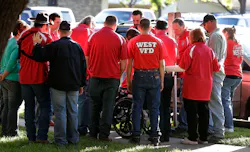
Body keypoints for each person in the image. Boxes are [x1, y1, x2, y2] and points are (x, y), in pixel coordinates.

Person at [31, 21, 86, 146]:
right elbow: (83, 67)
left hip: (57, 84)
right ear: (70, 32)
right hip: (73, 84)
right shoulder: (77, 47)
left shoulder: (54, 45)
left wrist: (36, 44)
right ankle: (73, 139)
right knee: (73, 111)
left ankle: (60, 140)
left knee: (60, 112)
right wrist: (82, 84)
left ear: (59, 32)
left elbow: (39, 56)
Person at [166, 28, 220, 145]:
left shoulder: (191, 49)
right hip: (206, 87)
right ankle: (203, 138)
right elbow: (216, 68)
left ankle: (192, 137)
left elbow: (182, 67)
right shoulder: (210, 51)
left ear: (192, 37)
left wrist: (166, 68)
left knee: (191, 113)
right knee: (204, 113)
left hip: (192, 86)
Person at [86, 16, 127, 141]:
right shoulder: (120, 39)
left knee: (94, 106)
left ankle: (92, 133)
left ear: (104, 23)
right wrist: (118, 75)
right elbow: (124, 63)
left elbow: (86, 57)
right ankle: (104, 135)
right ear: (115, 25)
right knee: (108, 108)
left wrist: (91, 70)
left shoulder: (92, 36)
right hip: (111, 78)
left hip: (95, 76)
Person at [127, 18, 165, 146]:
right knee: (154, 107)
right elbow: (162, 64)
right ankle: (155, 136)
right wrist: (162, 80)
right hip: (154, 75)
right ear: (150, 27)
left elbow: (129, 63)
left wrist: (128, 80)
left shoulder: (133, 42)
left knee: (137, 106)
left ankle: (136, 135)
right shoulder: (158, 42)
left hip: (139, 75)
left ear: (139, 27)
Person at [18, 12, 53, 143]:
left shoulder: (23, 35)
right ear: (45, 25)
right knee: (45, 106)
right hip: (39, 77)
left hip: (24, 77)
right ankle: (42, 137)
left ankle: (31, 137)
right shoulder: (45, 38)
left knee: (28, 108)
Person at [0, 20, 29, 137]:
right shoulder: (17, 44)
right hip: (12, 79)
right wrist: (5, 74)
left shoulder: (8, 42)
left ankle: (5, 130)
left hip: (4, 79)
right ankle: (12, 132)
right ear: (19, 32)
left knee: (6, 106)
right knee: (13, 107)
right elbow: (12, 62)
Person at [202, 14, 227, 142]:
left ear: (210, 22)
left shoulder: (215, 36)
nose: (205, 28)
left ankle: (218, 131)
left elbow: (214, 59)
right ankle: (214, 129)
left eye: (205, 24)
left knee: (215, 101)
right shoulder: (218, 34)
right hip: (216, 73)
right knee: (214, 101)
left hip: (214, 73)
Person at [71, 15, 96, 136]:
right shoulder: (90, 33)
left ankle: (70, 126)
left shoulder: (73, 31)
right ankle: (81, 127)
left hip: (69, 69)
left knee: (70, 99)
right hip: (83, 70)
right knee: (83, 100)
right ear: (91, 24)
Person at [155, 20, 177, 142]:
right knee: (165, 106)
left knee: (154, 105)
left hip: (156, 74)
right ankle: (166, 133)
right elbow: (175, 58)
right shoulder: (172, 41)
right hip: (169, 74)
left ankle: (155, 131)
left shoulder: (155, 40)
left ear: (156, 28)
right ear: (166, 28)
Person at [222, 27, 243, 133]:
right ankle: (229, 124)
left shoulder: (227, 44)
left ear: (226, 33)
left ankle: (228, 126)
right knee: (228, 101)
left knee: (225, 101)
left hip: (228, 74)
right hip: (238, 75)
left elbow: (223, 58)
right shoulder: (238, 44)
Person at [172, 18, 190, 132]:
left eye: (177, 29)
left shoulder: (189, 37)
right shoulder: (180, 37)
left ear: (183, 26)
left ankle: (183, 125)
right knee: (183, 99)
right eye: (174, 29)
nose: (175, 31)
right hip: (182, 72)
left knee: (185, 100)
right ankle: (183, 123)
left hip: (186, 74)